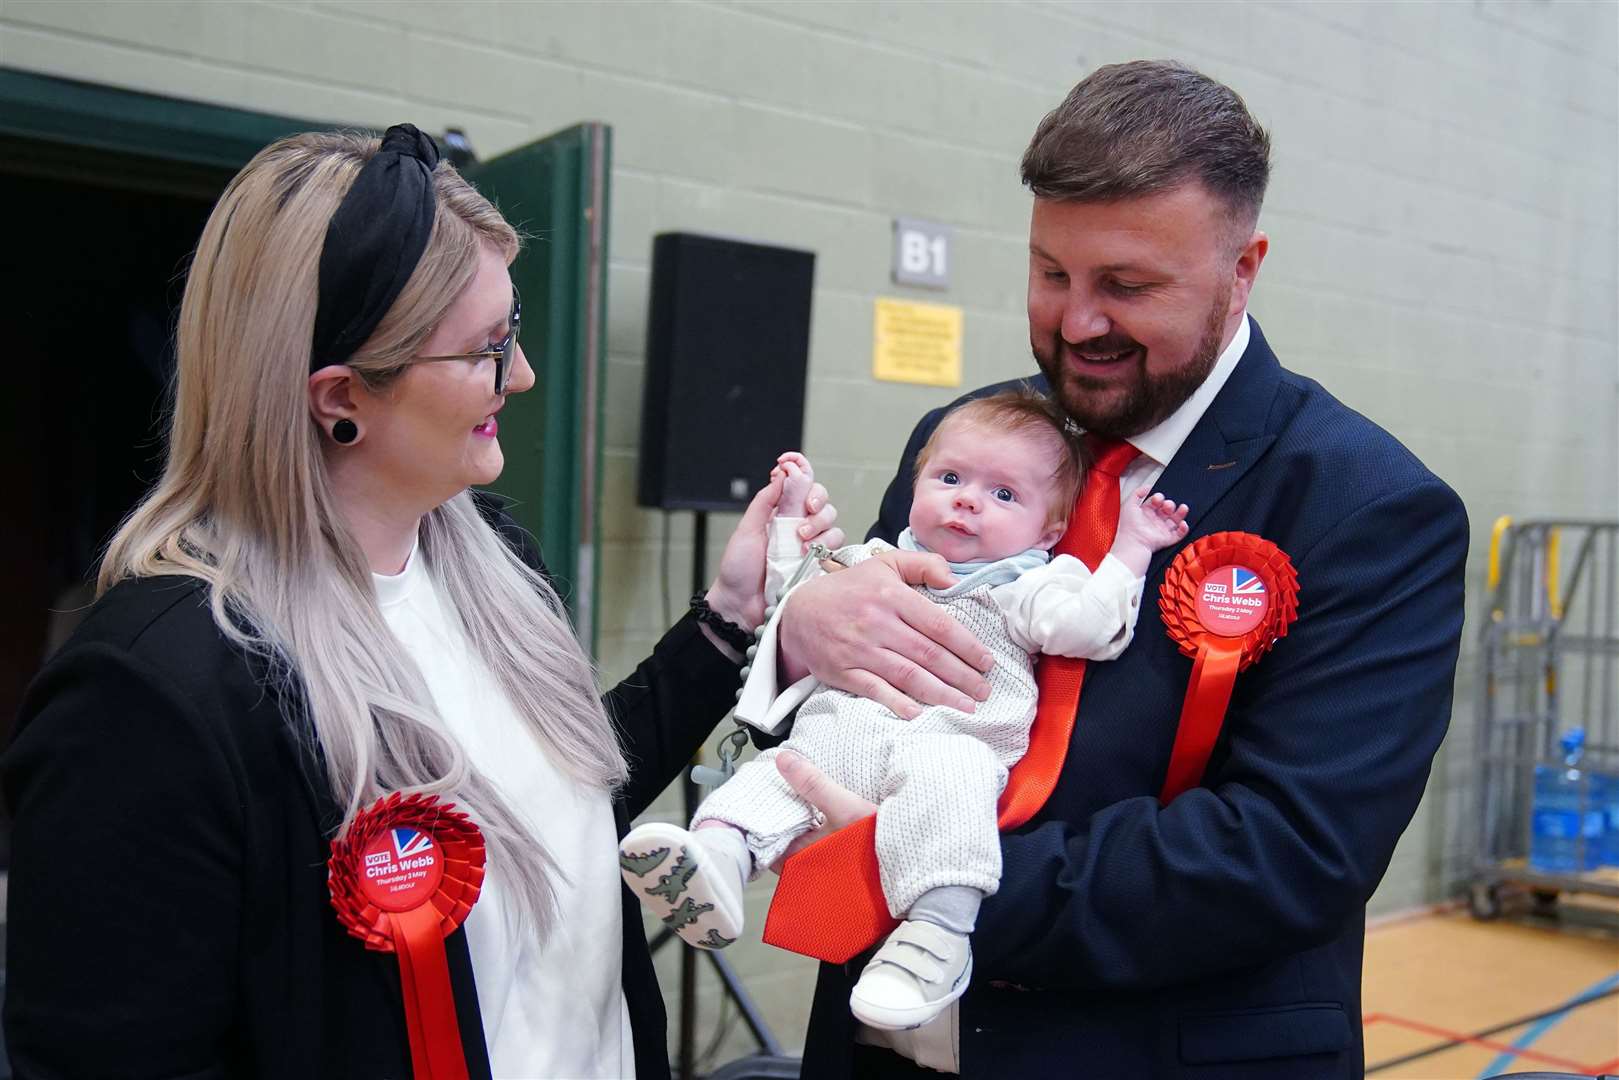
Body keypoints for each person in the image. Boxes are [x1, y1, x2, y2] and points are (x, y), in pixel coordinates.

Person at [2, 125, 843, 1080]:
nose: (519, 375)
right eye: (488, 349)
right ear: (339, 396)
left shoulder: (487, 559)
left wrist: (731, 618)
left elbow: (553, 806)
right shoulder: (154, 692)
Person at [757, 61, 1470, 1078]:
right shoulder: (971, 443)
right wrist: (798, 633)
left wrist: (929, 871)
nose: (1076, 323)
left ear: (1241, 268)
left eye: (1125, 286)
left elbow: (1285, 852)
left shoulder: (1365, 505)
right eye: (1051, 274)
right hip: (882, 1040)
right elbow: (859, 703)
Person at [617, 394, 1189, 1032]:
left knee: (953, 786)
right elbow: (790, 588)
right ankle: (717, 862)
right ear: (916, 487)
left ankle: (936, 938)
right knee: (775, 775)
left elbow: (1091, 627)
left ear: (1050, 530)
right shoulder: (871, 563)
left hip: (946, 741)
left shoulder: (1030, 585)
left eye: (1004, 495)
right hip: (840, 738)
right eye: (950, 479)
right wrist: (789, 514)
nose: (968, 500)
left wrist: (1132, 550)